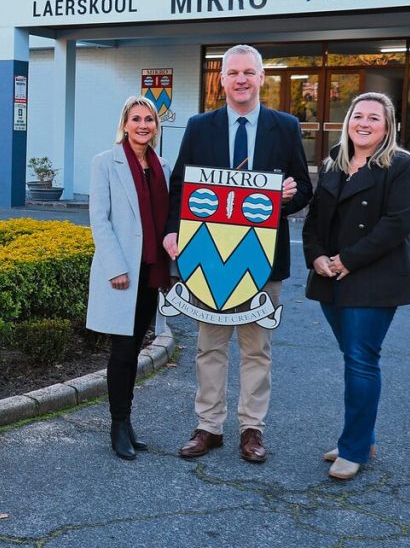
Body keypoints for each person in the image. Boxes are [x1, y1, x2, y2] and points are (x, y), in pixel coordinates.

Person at [163, 44, 312, 463]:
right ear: (222, 80)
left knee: (256, 349)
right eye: (233, 73)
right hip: (208, 258)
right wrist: (173, 231)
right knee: (210, 347)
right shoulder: (199, 126)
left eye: (249, 72)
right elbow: (180, 186)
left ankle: (252, 429)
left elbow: (304, 187)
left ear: (261, 77)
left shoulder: (285, 126)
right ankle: (208, 427)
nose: (241, 79)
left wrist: (286, 197)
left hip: (262, 259)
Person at [302, 92, 410, 480]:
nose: (364, 123)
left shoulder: (401, 165)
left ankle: (354, 450)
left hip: (373, 278)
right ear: (347, 121)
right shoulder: (332, 163)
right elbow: (314, 220)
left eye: (374, 117)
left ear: (387, 127)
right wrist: (317, 256)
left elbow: (398, 224)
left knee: (361, 360)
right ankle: (361, 438)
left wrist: (347, 260)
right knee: (354, 358)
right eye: (358, 115)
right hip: (330, 276)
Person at [87, 95, 172, 460]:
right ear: (124, 124)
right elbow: (99, 219)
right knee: (122, 352)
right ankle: (118, 424)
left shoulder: (162, 165)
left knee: (135, 350)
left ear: (156, 126)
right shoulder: (105, 162)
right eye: (136, 119)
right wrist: (116, 267)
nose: (142, 125)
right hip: (122, 272)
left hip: (151, 271)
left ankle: (127, 421)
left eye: (148, 119)